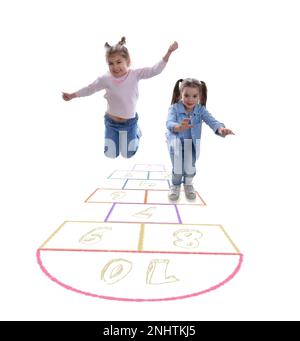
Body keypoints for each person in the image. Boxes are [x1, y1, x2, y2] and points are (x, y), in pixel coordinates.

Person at [62, 37, 178, 158]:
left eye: (118, 62)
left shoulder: (135, 75)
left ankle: (137, 133)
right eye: (111, 63)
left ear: (127, 61)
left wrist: (168, 52)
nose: (115, 67)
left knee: (128, 154)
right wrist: (73, 95)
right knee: (110, 154)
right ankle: (118, 138)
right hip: (111, 122)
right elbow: (89, 89)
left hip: (129, 123)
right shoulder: (105, 79)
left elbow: (155, 70)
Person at [166, 78, 234, 201]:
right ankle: (175, 185)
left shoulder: (200, 110)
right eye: (186, 95)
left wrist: (220, 129)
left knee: (190, 167)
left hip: (191, 144)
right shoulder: (174, 108)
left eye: (194, 96)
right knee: (177, 167)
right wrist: (179, 127)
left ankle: (188, 184)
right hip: (175, 143)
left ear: (199, 96)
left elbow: (212, 121)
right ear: (181, 94)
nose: (190, 99)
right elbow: (169, 122)